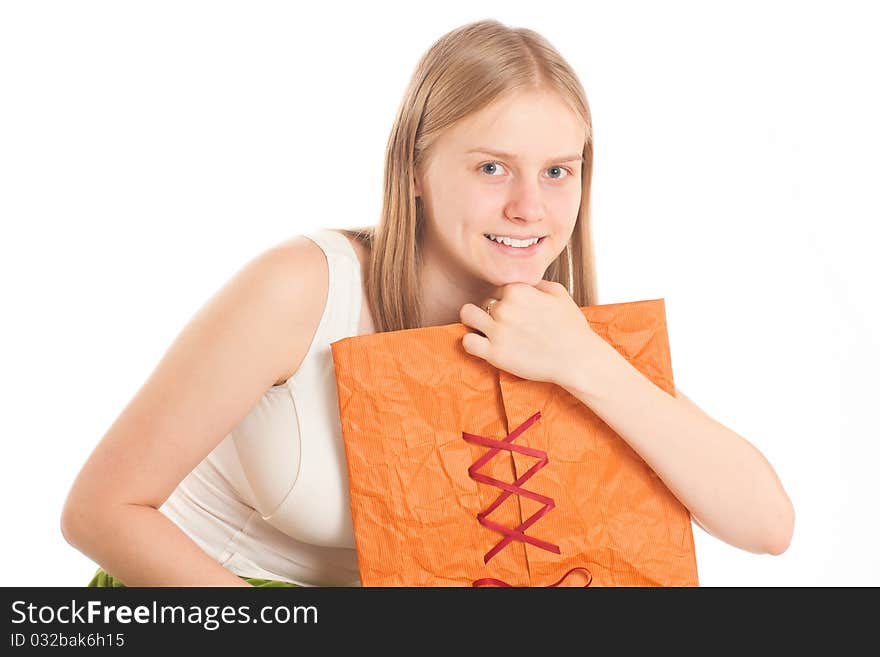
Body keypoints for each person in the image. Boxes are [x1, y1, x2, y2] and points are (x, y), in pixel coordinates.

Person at [61, 18, 795, 587]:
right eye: (491, 166)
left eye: (557, 172)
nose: (529, 207)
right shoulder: (304, 288)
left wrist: (586, 364)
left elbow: (766, 524)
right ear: (414, 169)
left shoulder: (552, 329)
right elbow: (99, 510)